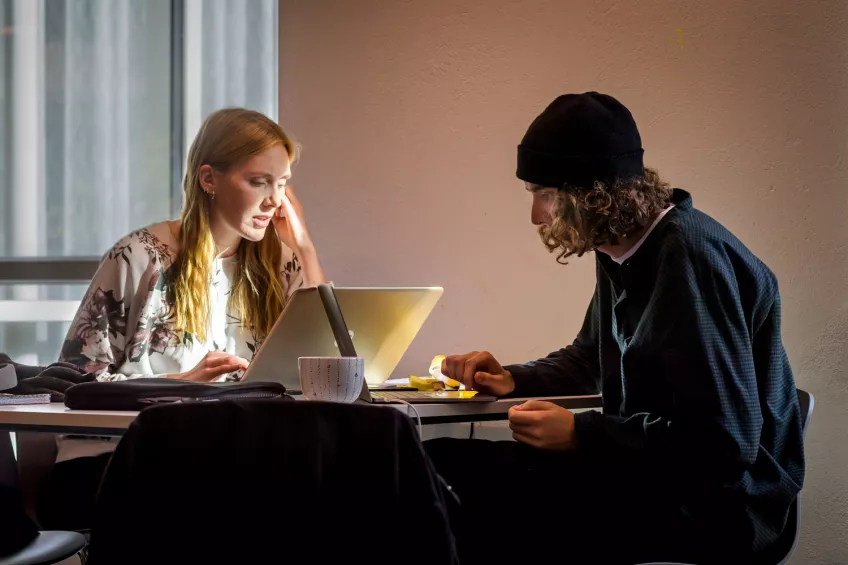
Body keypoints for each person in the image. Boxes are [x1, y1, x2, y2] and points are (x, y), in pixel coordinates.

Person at [425, 92, 805, 564]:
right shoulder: (623, 248)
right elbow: (589, 356)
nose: (537, 216)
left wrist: (583, 435)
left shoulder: (688, 258)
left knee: (468, 489)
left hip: (721, 509)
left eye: (546, 195)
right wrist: (514, 379)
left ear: (593, 194)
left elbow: (725, 444)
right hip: (651, 478)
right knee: (434, 463)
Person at [38, 107, 327, 530]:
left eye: (281, 184)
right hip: (113, 460)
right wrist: (183, 386)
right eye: (258, 181)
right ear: (209, 179)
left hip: (220, 459)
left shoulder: (277, 264)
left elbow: (327, 366)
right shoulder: (140, 256)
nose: (273, 200)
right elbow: (73, 383)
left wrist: (305, 249)